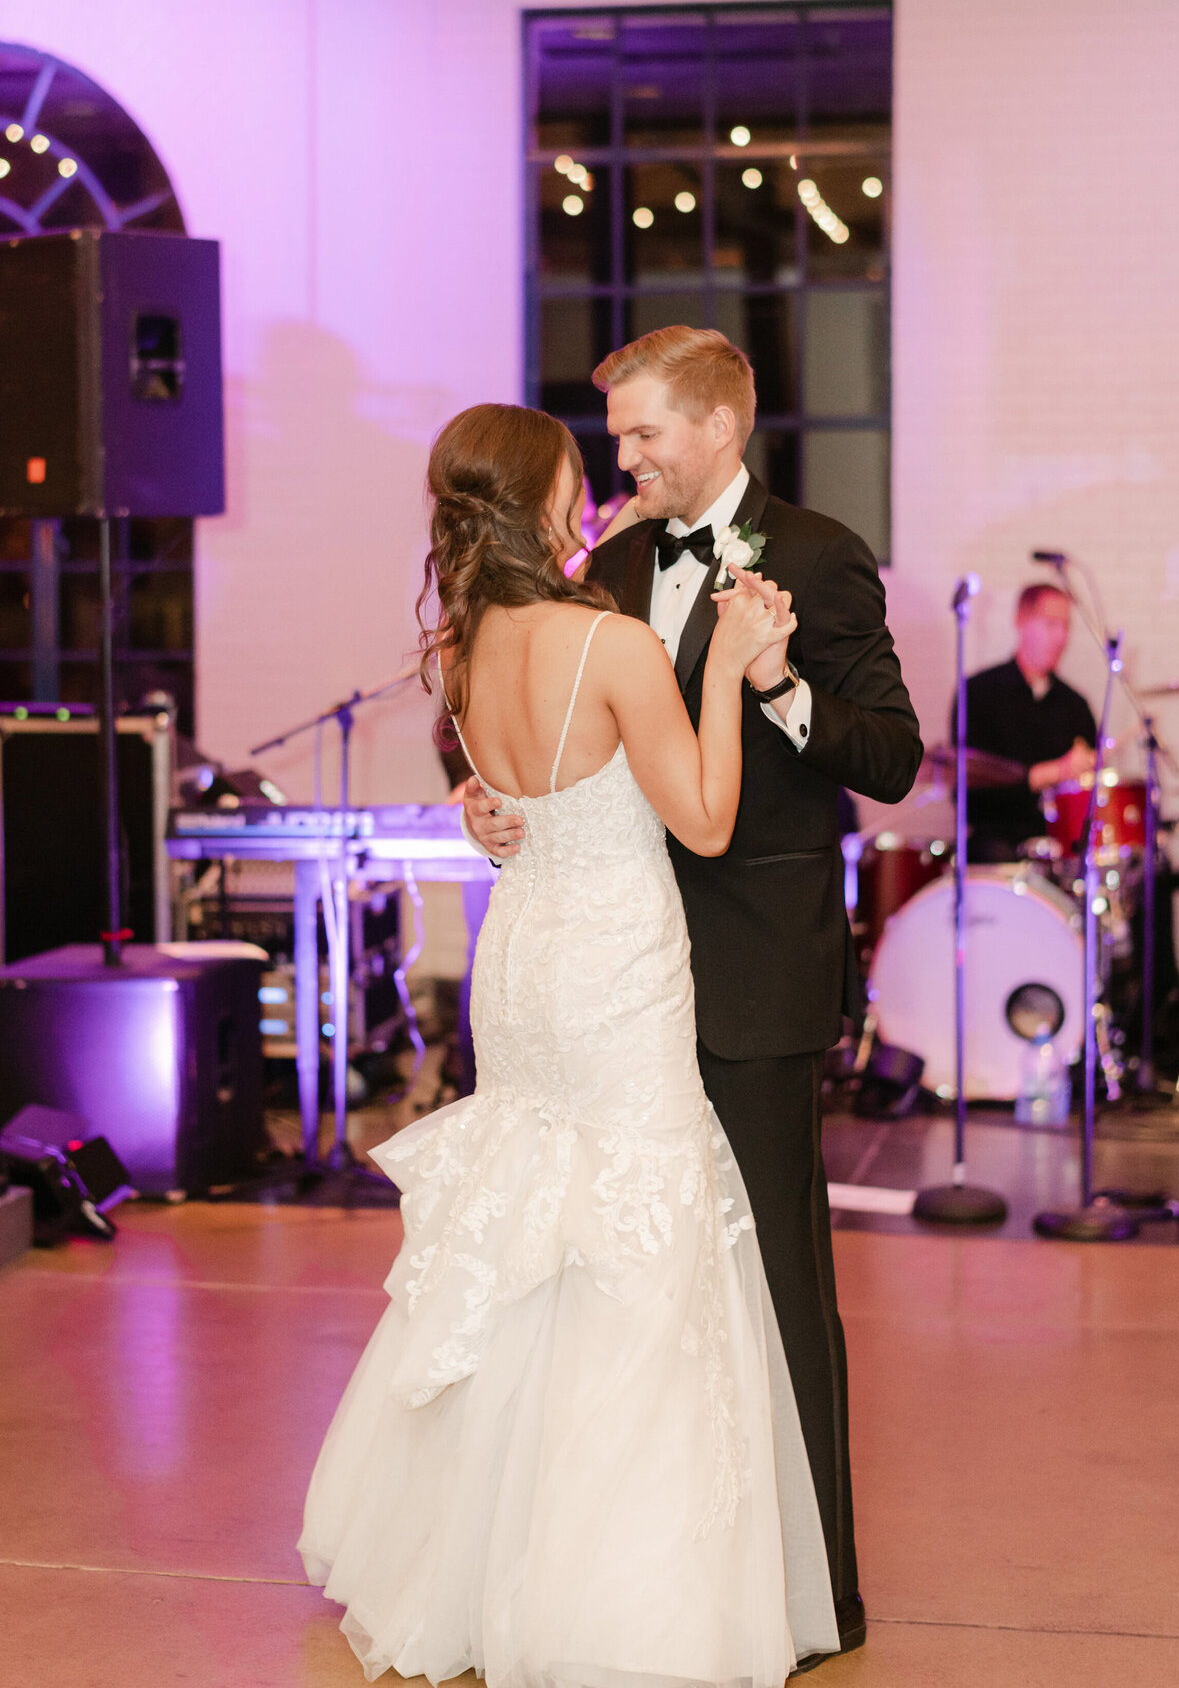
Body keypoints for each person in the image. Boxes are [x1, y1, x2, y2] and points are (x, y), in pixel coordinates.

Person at [300, 402, 842, 1685]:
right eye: (576, 475)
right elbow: (705, 820)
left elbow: (502, 781)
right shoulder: (609, 642)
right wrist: (720, 667)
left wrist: (472, 796)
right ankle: (614, 1587)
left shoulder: (462, 646)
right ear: (544, 504)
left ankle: (478, 1557)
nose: (595, 487)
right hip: (615, 972)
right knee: (637, 1242)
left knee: (530, 1226)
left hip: (523, 962)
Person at [464, 327, 923, 1666]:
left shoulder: (826, 555)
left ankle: (812, 1593)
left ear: (724, 425)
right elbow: (536, 726)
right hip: (620, 978)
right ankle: (643, 1578)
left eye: (646, 433)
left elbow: (892, 754)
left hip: (755, 976)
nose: (626, 457)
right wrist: (486, 796)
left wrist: (776, 683)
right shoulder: (602, 564)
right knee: (618, 1281)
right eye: (616, 438)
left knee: (777, 1285)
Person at [959, 581, 1096, 861]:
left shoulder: (1076, 705)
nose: (1061, 638)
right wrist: (1055, 772)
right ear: (1021, 621)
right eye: (1050, 624)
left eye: (1066, 627)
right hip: (999, 843)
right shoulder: (979, 693)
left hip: (1062, 849)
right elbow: (970, 790)